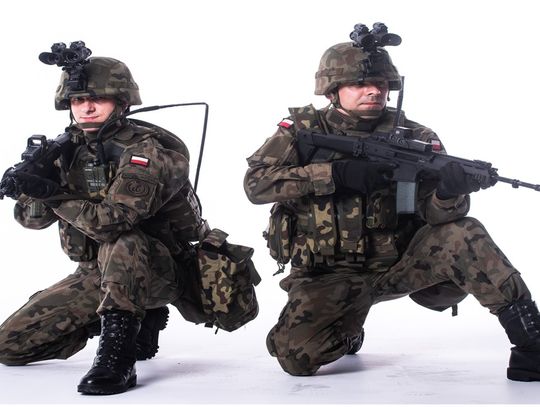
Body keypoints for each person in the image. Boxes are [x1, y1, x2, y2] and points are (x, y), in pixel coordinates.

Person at [243, 23, 540, 381]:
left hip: (401, 265)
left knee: (464, 231)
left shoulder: (417, 138)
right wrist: (333, 175)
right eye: (360, 84)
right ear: (332, 89)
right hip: (328, 272)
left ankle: (532, 344)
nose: (374, 91)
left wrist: (449, 193)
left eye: (381, 83)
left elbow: (435, 214)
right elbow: (255, 185)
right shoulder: (302, 132)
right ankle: (347, 326)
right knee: (295, 358)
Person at [0, 47, 211, 394]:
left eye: (98, 98)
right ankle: (131, 318)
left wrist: (54, 195)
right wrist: (36, 185)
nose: (87, 107)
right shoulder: (67, 150)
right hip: (96, 272)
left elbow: (113, 223)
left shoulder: (146, 152)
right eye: (78, 99)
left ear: (122, 102)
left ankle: (117, 356)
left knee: (123, 241)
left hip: (157, 269)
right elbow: (31, 221)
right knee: (9, 346)